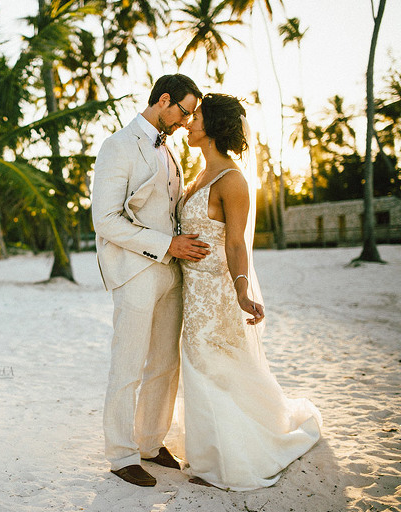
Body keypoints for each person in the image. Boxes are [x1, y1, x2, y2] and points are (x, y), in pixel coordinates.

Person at [179, 93, 322, 490]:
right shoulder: (198, 176)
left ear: (214, 127)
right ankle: (209, 453)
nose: (189, 124)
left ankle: (226, 462)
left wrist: (242, 293)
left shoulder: (234, 180)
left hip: (217, 294)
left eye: (197, 118)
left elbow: (237, 243)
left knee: (213, 369)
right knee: (202, 367)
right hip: (191, 292)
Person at [91, 74, 208, 487]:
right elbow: (105, 219)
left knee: (164, 363)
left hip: (171, 273)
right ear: (163, 100)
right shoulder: (117, 146)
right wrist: (166, 245)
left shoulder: (169, 151)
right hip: (135, 270)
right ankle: (121, 454)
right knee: (127, 363)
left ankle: (150, 442)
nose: (185, 122)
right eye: (184, 111)